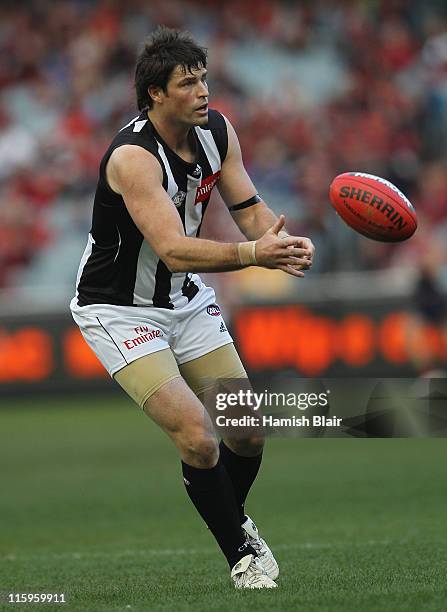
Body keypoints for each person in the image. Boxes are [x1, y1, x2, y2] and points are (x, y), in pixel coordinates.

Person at [70, 26, 314, 589]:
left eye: (203, 78)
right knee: (198, 437)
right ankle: (241, 556)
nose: (203, 91)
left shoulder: (217, 131)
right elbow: (175, 250)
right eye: (188, 82)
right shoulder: (132, 158)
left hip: (184, 301)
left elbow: (250, 207)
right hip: (119, 310)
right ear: (155, 93)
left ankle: (232, 517)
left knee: (247, 430)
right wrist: (255, 253)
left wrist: (283, 240)